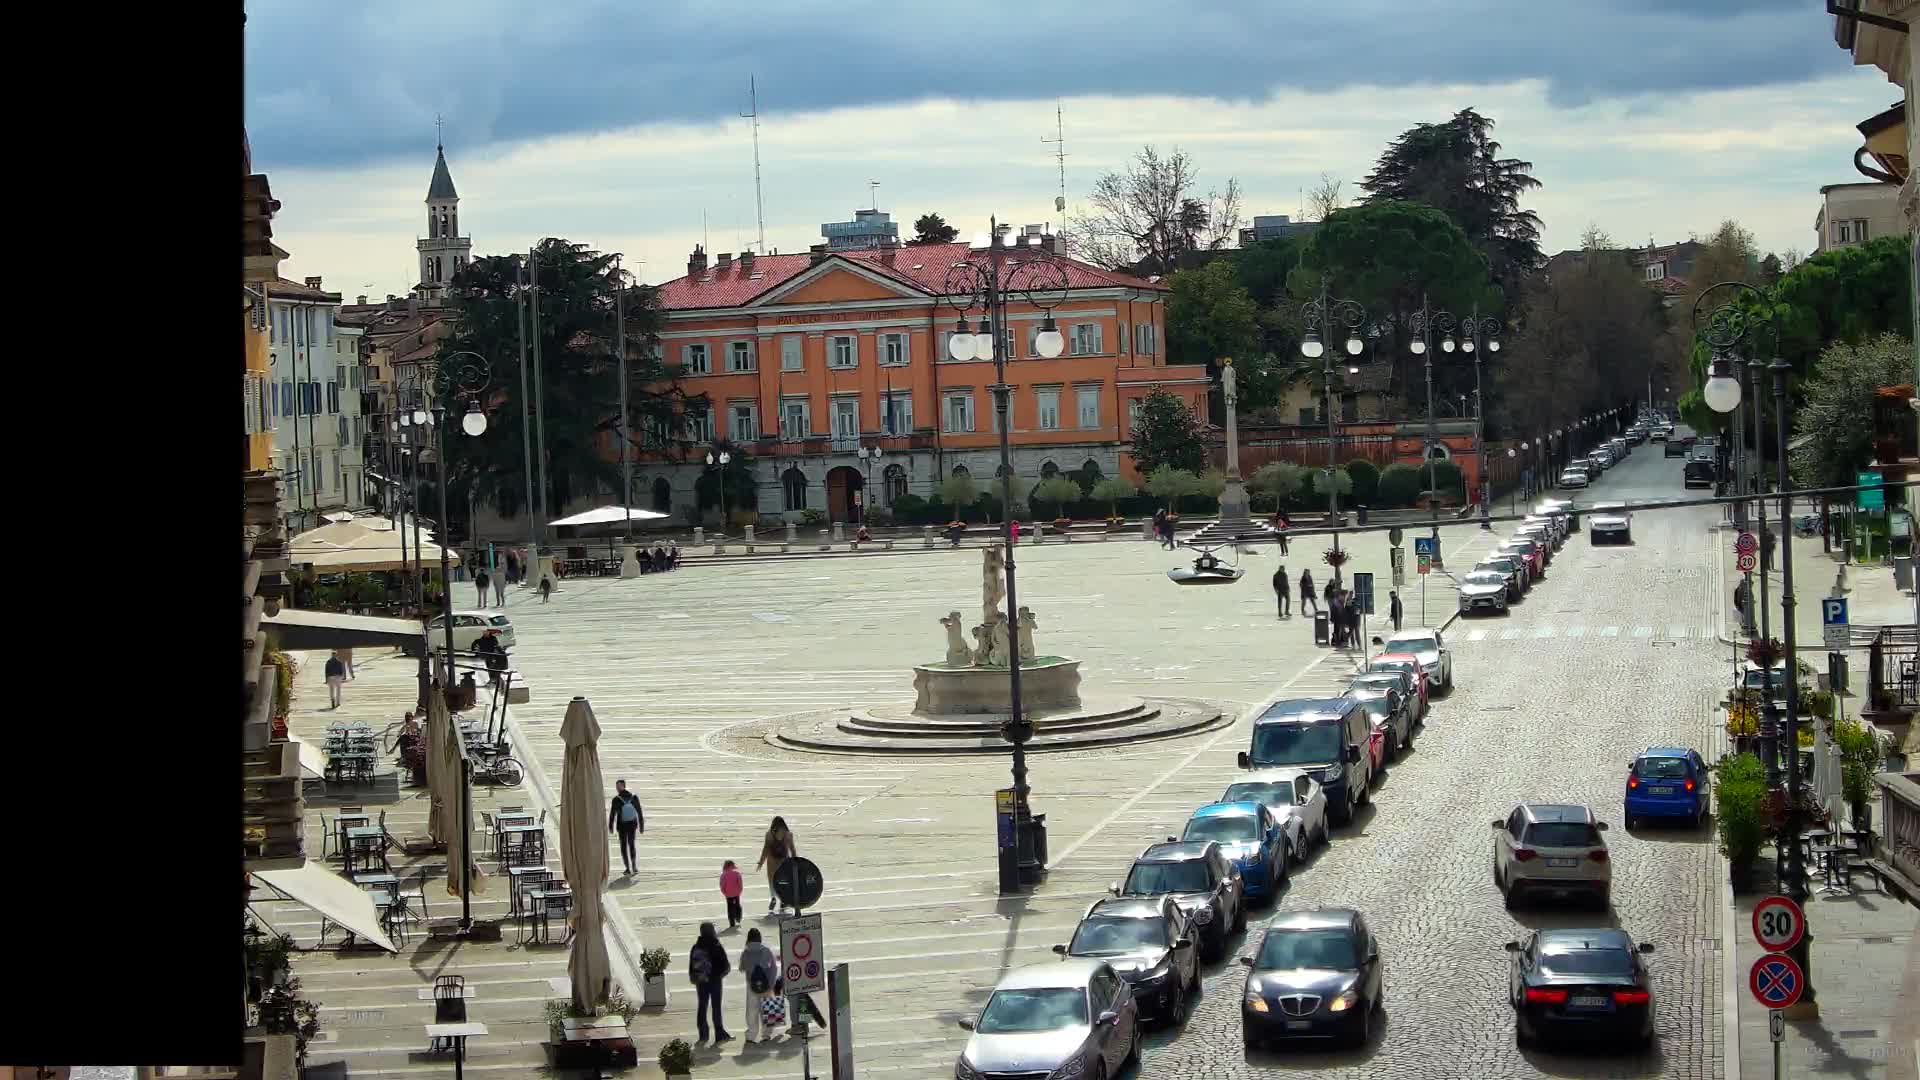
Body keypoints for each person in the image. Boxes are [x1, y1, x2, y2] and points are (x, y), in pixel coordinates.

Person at [689, 922, 732, 1044]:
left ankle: (703, 1035)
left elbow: (692, 965)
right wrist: (722, 974)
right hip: (715, 981)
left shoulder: (696, 946)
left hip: (701, 981)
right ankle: (719, 1034)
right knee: (716, 1007)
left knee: (702, 1006)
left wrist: (694, 978)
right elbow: (724, 964)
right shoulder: (716, 945)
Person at [740, 928, 780, 1043]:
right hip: (766, 985)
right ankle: (766, 1034)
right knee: (767, 1009)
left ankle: (751, 1035)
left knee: (752, 1011)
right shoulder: (766, 951)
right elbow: (773, 967)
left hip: (751, 985)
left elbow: (742, 968)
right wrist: (771, 983)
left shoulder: (746, 952)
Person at [756, 815, 797, 915]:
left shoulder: (769, 835)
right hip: (784, 863)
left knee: (772, 883)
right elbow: (792, 849)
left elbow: (765, 850)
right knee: (784, 882)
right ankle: (783, 901)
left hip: (772, 864)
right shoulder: (788, 835)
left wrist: (761, 862)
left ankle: (773, 898)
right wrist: (796, 861)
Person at [609, 780, 644, 876]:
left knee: (624, 847)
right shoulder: (633, 797)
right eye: (617, 786)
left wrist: (610, 826)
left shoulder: (616, 799)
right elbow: (639, 812)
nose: (617, 788)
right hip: (632, 825)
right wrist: (641, 826)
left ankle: (628, 868)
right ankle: (634, 867)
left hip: (622, 826)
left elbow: (612, 814)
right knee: (631, 845)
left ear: (623, 786)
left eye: (618, 786)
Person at [721, 859, 745, 930]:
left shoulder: (723, 875)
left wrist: (724, 893)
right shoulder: (737, 873)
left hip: (728, 894)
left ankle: (732, 922)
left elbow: (722, 885)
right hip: (736, 893)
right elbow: (740, 884)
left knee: (730, 907)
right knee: (737, 905)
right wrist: (739, 891)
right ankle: (738, 917)